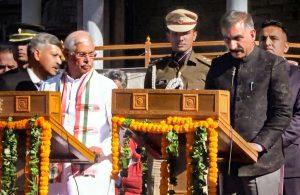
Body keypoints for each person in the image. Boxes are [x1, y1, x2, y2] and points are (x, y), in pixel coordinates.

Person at [205, 10, 292, 195]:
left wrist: (259, 145)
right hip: (227, 164)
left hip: (261, 164)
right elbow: (209, 108)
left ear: (252, 34)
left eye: (237, 38)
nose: (232, 45)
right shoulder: (218, 66)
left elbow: (283, 112)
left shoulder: (273, 64)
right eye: (227, 39)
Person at [41, 30, 116, 195]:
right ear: (67, 54)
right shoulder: (48, 86)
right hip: (56, 168)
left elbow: (120, 128)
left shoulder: (106, 86)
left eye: (92, 54)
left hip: (94, 167)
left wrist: (103, 148)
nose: (88, 59)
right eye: (82, 54)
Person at [259, 19, 300, 195]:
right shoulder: (250, 76)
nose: (267, 43)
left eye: (273, 38)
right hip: (257, 161)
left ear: (286, 46)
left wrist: (271, 142)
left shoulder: (297, 76)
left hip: (289, 159)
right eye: (263, 39)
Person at [144, 8, 211, 90]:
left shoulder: (207, 69)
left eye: (185, 33)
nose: (180, 38)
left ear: (194, 35)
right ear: (168, 36)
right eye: (175, 34)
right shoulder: (156, 68)